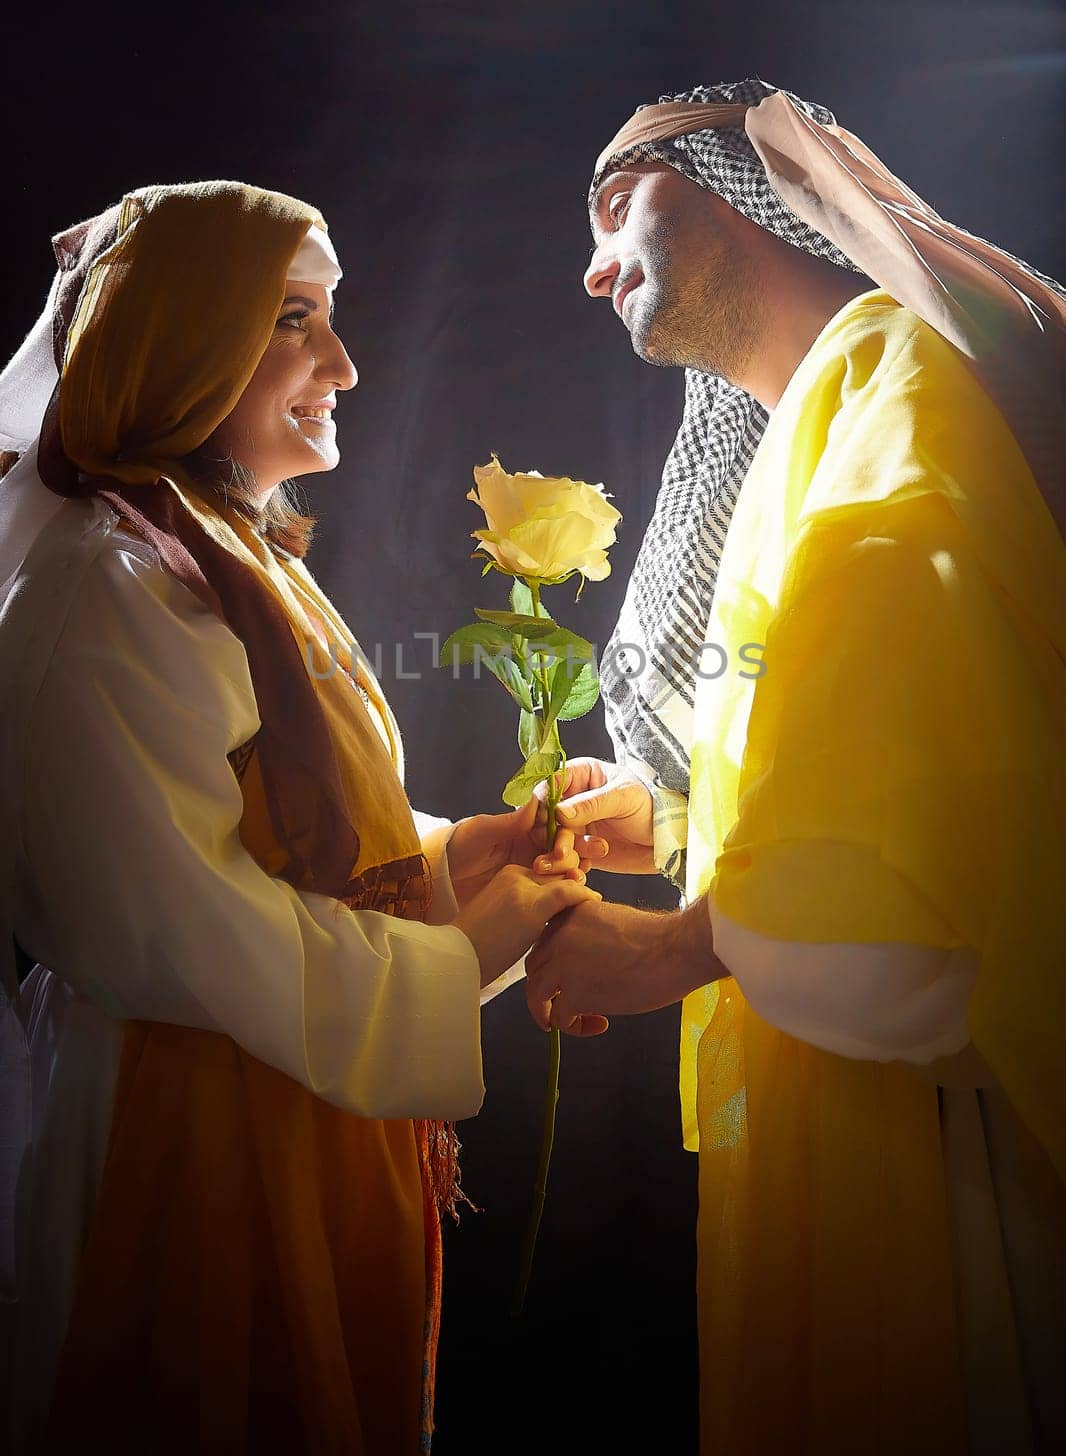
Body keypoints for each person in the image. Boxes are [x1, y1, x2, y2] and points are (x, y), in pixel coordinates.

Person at [0, 181, 601, 1455]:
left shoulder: (226, 552)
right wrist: (463, 951)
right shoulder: (105, 591)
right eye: (292, 319)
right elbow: (177, 931)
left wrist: (455, 855)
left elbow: (289, 836)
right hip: (187, 1141)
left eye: (329, 316)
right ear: (178, 336)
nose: (344, 362)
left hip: (281, 1094)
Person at [527, 80, 1066, 1452]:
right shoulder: (825, 412)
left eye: (610, 207)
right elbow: (842, 738)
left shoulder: (899, 374)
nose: (592, 269)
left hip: (937, 1136)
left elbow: (925, 821)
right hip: (831, 1104)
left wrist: (672, 951)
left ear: (729, 181)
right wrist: (677, 821)